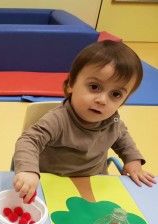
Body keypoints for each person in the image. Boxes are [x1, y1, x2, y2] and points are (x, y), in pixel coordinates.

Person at [13, 40, 156, 203]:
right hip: (52, 182)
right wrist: (29, 171)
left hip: (94, 182)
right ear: (71, 84)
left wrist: (132, 160)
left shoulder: (113, 120)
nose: (102, 100)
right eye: (94, 87)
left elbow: (123, 138)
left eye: (116, 94)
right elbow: (29, 140)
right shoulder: (58, 119)